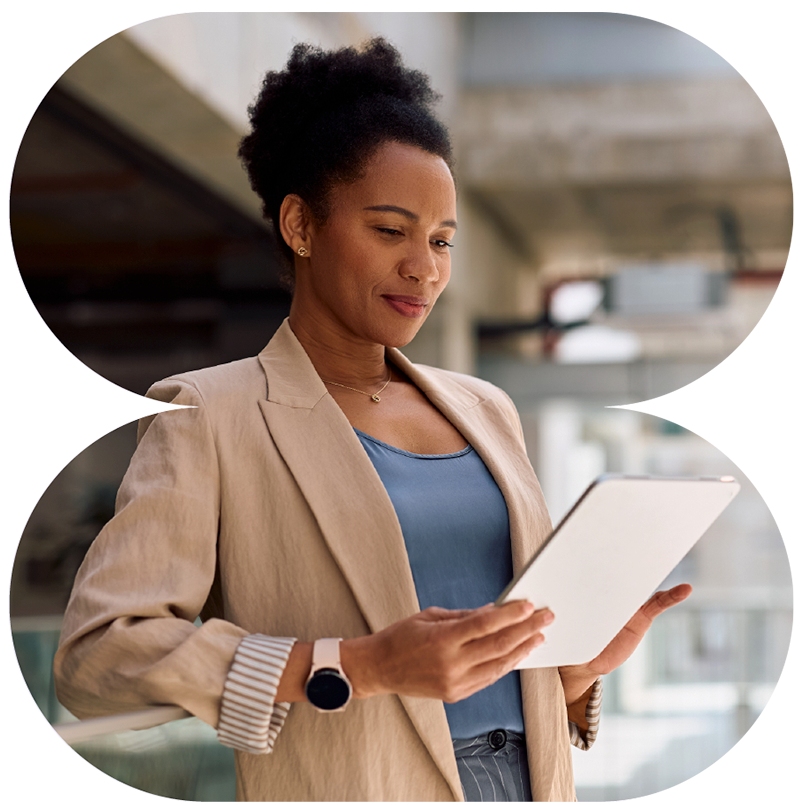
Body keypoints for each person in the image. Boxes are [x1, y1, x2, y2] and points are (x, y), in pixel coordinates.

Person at [54, 38, 691, 802]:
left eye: (442, 240)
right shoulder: (210, 416)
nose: (424, 267)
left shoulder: (488, 409)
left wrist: (578, 666)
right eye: (390, 230)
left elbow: (502, 666)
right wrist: (356, 665)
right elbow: (96, 660)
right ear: (300, 225)